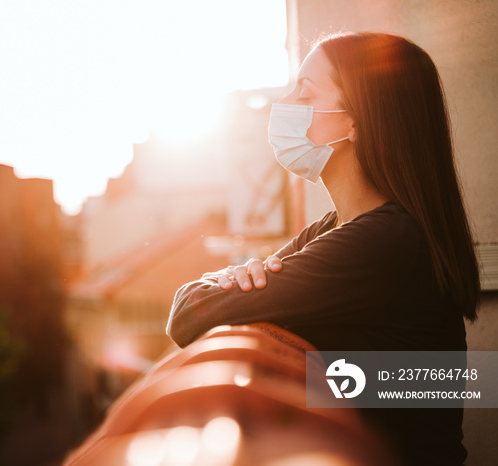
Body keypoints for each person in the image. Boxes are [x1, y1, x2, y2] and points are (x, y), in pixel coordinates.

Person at [166, 32, 480, 466]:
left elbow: (188, 316)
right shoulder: (335, 229)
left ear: (355, 121)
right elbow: (193, 310)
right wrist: (229, 282)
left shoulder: (385, 242)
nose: (287, 100)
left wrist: (226, 285)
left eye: (305, 91)